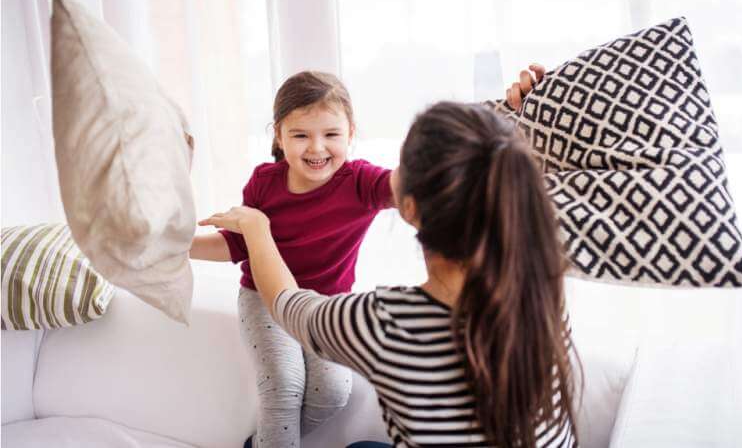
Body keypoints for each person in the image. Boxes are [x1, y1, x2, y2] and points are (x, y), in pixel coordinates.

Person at [200, 99, 581, 447]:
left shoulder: (387, 321)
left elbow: (287, 304)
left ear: (409, 208)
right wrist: (538, 106)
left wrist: (256, 229)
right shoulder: (543, 288)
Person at [189, 71, 395, 447]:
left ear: (351, 133)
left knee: (332, 391)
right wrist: (179, 244)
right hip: (264, 300)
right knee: (283, 384)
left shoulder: (362, 182)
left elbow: (413, 187)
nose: (317, 148)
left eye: (331, 135)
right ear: (279, 136)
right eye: (301, 135)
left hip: (325, 305)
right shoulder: (265, 183)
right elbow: (236, 246)